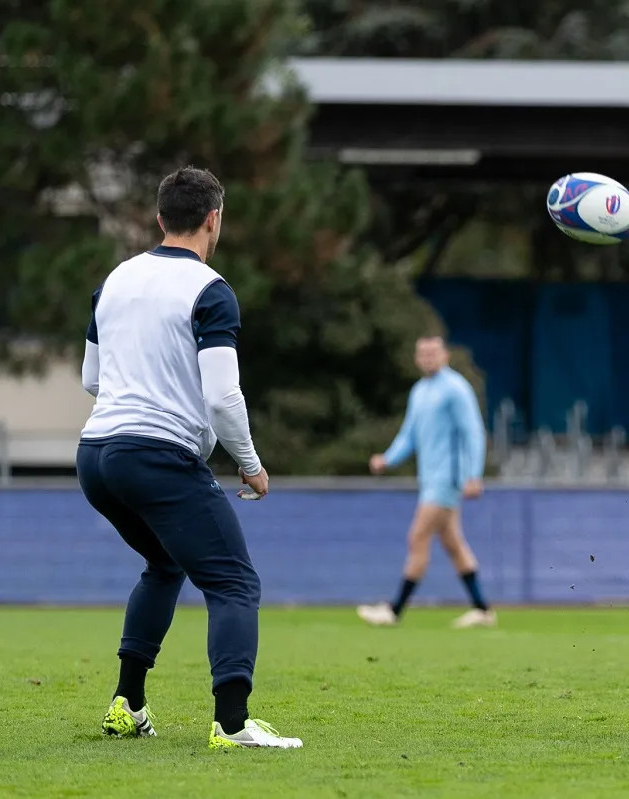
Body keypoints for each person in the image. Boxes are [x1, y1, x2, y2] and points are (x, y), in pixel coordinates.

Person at [77, 166, 301, 749]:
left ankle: (127, 705)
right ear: (213, 219)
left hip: (96, 454)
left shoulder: (115, 280)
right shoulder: (210, 289)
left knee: (165, 564)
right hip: (154, 456)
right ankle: (231, 725)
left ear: (159, 219)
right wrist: (249, 464)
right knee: (234, 583)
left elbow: (91, 378)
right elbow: (223, 395)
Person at [356, 335, 495, 629]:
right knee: (453, 544)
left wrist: (473, 475)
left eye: (433, 352)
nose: (428, 358)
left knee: (417, 537)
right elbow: (409, 434)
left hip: (448, 480)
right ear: (417, 358)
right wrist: (388, 459)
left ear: (445, 355)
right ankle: (482, 609)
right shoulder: (420, 391)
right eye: (423, 353)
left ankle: (394, 610)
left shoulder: (456, 389)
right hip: (429, 479)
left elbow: (472, 432)